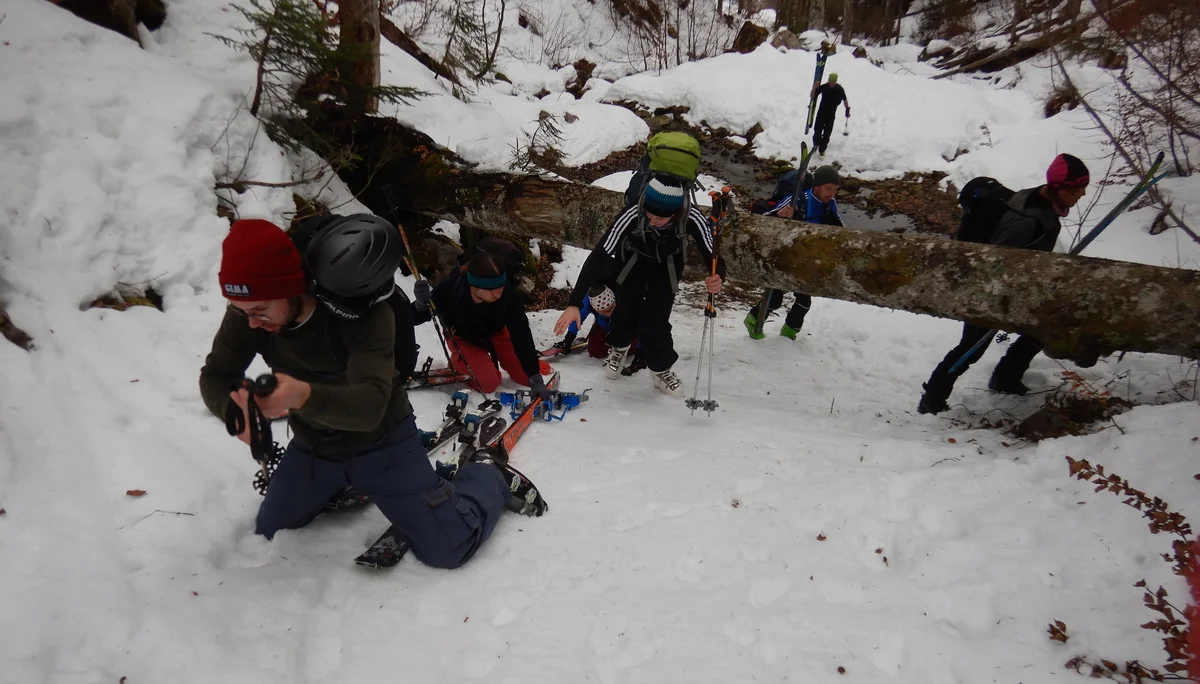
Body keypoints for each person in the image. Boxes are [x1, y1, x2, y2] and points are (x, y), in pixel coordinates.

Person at [199, 218, 543, 569]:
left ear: (291, 288)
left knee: (447, 548)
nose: (252, 322)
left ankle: (486, 475)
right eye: (243, 313)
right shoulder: (249, 311)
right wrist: (233, 411)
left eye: (259, 311)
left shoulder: (364, 311)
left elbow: (370, 405)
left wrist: (301, 396)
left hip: (383, 443)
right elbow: (215, 375)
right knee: (271, 526)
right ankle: (343, 485)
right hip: (315, 445)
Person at [917, 153, 1091, 415]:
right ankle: (932, 399)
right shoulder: (1027, 220)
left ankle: (1006, 378)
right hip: (987, 289)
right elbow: (997, 263)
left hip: (1015, 286)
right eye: (1078, 189)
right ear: (1061, 188)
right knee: (972, 349)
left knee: (1040, 327)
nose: (1082, 195)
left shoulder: (1040, 201)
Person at [554, 174, 725, 397]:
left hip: (667, 265)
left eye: (660, 219)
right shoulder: (634, 212)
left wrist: (718, 276)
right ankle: (619, 347)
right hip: (633, 260)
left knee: (657, 318)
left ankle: (661, 369)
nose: (653, 221)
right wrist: (574, 303)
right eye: (649, 215)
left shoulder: (690, 216)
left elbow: (712, 251)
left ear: (676, 213)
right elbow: (599, 255)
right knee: (625, 308)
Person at [414, 238, 553, 400]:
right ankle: (460, 362)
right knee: (488, 383)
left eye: (501, 287)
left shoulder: (507, 294)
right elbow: (415, 317)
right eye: (493, 290)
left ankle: (512, 363)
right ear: (476, 286)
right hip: (464, 337)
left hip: (497, 331)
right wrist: (420, 303)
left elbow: (521, 331)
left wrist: (534, 375)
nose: (498, 293)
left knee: (525, 376)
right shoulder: (451, 290)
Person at [744, 165, 844, 340]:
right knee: (774, 299)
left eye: (835, 190)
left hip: (807, 259)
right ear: (816, 186)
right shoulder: (797, 199)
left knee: (804, 301)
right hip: (783, 257)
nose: (832, 194)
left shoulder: (830, 205)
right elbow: (763, 218)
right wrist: (780, 213)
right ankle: (753, 321)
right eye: (828, 189)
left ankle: (788, 335)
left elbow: (841, 229)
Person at [811, 73, 850, 157]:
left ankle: (822, 150)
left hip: (831, 115)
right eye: (830, 81)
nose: (831, 83)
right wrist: (815, 86)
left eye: (832, 82)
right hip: (821, 113)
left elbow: (845, 100)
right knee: (817, 131)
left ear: (835, 81)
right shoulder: (824, 87)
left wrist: (847, 109)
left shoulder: (839, 89)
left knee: (827, 134)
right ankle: (816, 144)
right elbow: (813, 96)